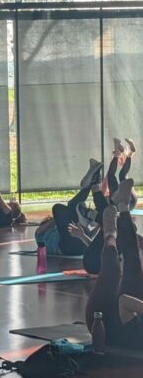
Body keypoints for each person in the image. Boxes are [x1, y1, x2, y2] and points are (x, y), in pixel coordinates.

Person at [86, 178, 143, 350]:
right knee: (134, 264)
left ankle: (109, 231)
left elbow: (124, 302)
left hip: (102, 318)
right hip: (129, 309)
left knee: (113, 269)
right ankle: (123, 204)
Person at [79, 139, 139, 274]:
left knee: (122, 176)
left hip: (127, 201)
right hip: (124, 201)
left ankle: (126, 153)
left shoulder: (112, 206)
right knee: (117, 177)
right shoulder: (113, 203)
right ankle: (122, 154)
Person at [34, 158, 103, 257]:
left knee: (71, 207)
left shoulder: (61, 229)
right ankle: (89, 184)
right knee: (58, 208)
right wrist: (99, 225)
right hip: (67, 247)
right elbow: (44, 227)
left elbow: (88, 235)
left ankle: (92, 182)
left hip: (79, 244)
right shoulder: (39, 235)